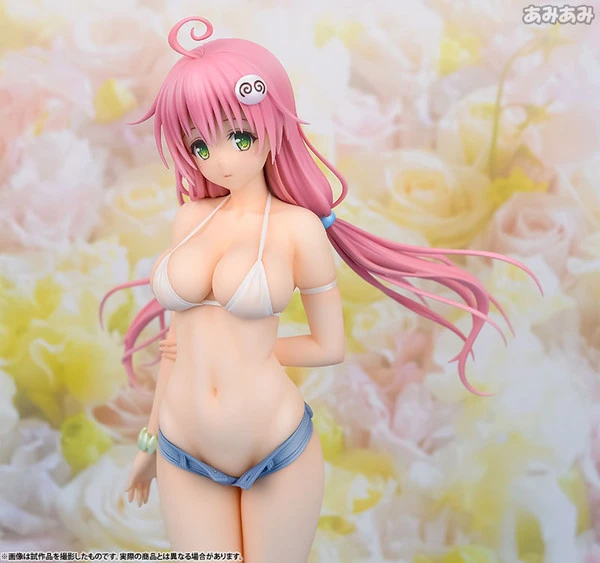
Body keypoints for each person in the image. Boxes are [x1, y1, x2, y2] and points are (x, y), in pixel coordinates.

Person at [99, 15, 541, 561]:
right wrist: (147, 446)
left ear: (271, 124)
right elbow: (176, 345)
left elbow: (328, 346)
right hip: (181, 446)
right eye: (198, 143)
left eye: (238, 136)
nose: (219, 159)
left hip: (273, 445)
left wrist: (251, 352)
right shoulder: (189, 218)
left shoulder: (298, 228)